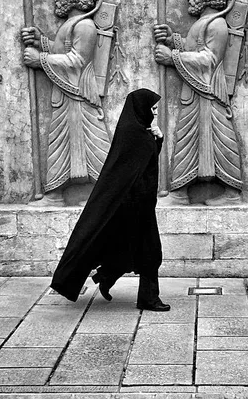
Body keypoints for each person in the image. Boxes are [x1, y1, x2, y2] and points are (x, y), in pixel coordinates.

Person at [51, 88, 170, 311]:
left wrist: (158, 138)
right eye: (152, 109)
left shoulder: (134, 131)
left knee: (130, 248)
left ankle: (106, 277)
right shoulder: (137, 135)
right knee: (151, 253)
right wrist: (154, 139)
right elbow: (140, 169)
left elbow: (144, 166)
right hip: (136, 207)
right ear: (141, 108)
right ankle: (147, 298)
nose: (155, 114)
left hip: (135, 206)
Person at [22, 0, 111, 206]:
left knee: (92, 144)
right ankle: (54, 194)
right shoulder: (72, 24)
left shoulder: (85, 25)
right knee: (62, 143)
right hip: (66, 95)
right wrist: (42, 42)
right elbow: (63, 50)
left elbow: (76, 61)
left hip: (78, 94)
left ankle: (106, 192)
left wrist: (40, 60)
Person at [154, 0, 243, 206]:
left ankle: (232, 192)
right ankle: (180, 192)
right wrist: (173, 40)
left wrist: (172, 58)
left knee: (219, 140)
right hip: (194, 93)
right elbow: (195, 47)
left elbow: (209, 59)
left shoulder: (217, 24)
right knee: (187, 140)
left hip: (209, 93)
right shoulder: (204, 22)